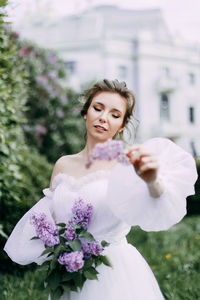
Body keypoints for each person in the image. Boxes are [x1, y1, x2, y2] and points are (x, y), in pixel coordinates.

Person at [4, 79, 198, 300]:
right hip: (69, 276)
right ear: (86, 112)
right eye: (98, 108)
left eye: (115, 115)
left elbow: (155, 201)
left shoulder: (127, 164)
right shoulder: (63, 164)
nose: (104, 118)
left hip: (114, 273)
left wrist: (152, 181)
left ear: (122, 125)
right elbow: (48, 221)